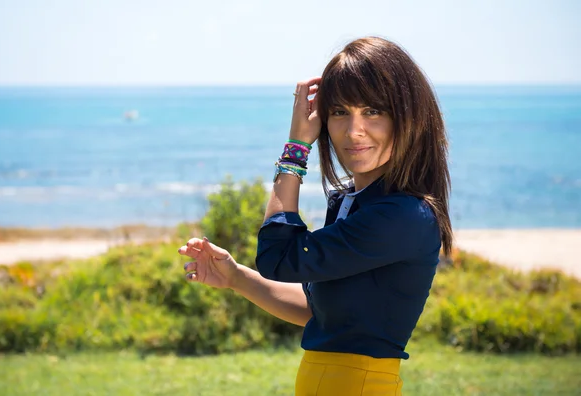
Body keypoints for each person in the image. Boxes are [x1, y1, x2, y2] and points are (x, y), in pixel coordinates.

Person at [178, 36, 452, 395]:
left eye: (373, 111)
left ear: (407, 117)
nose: (354, 131)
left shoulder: (402, 216)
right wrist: (236, 278)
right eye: (340, 112)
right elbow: (320, 314)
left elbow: (278, 257)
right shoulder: (357, 202)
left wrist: (295, 148)